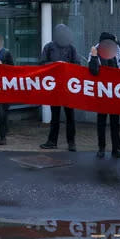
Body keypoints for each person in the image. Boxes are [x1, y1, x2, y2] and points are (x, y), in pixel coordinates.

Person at [40, 24, 81, 152]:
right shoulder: (49, 47)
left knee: (70, 116)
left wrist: (66, 66)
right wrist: (55, 65)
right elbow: (42, 64)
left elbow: (77, 65)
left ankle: (71, 143)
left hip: (68, 87)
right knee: (55, 115)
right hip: (54, 87)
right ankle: (52, 141)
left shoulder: (71, 48)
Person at [91, 32, 120, 159]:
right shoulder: (95, 51)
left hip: (115, 93)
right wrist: (95, 57)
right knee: (101, 122)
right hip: (102, 92)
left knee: (115, 122)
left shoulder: (119, 51)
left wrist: (118, 41)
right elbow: (93, 71)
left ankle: (116, 149)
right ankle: (101, 148)